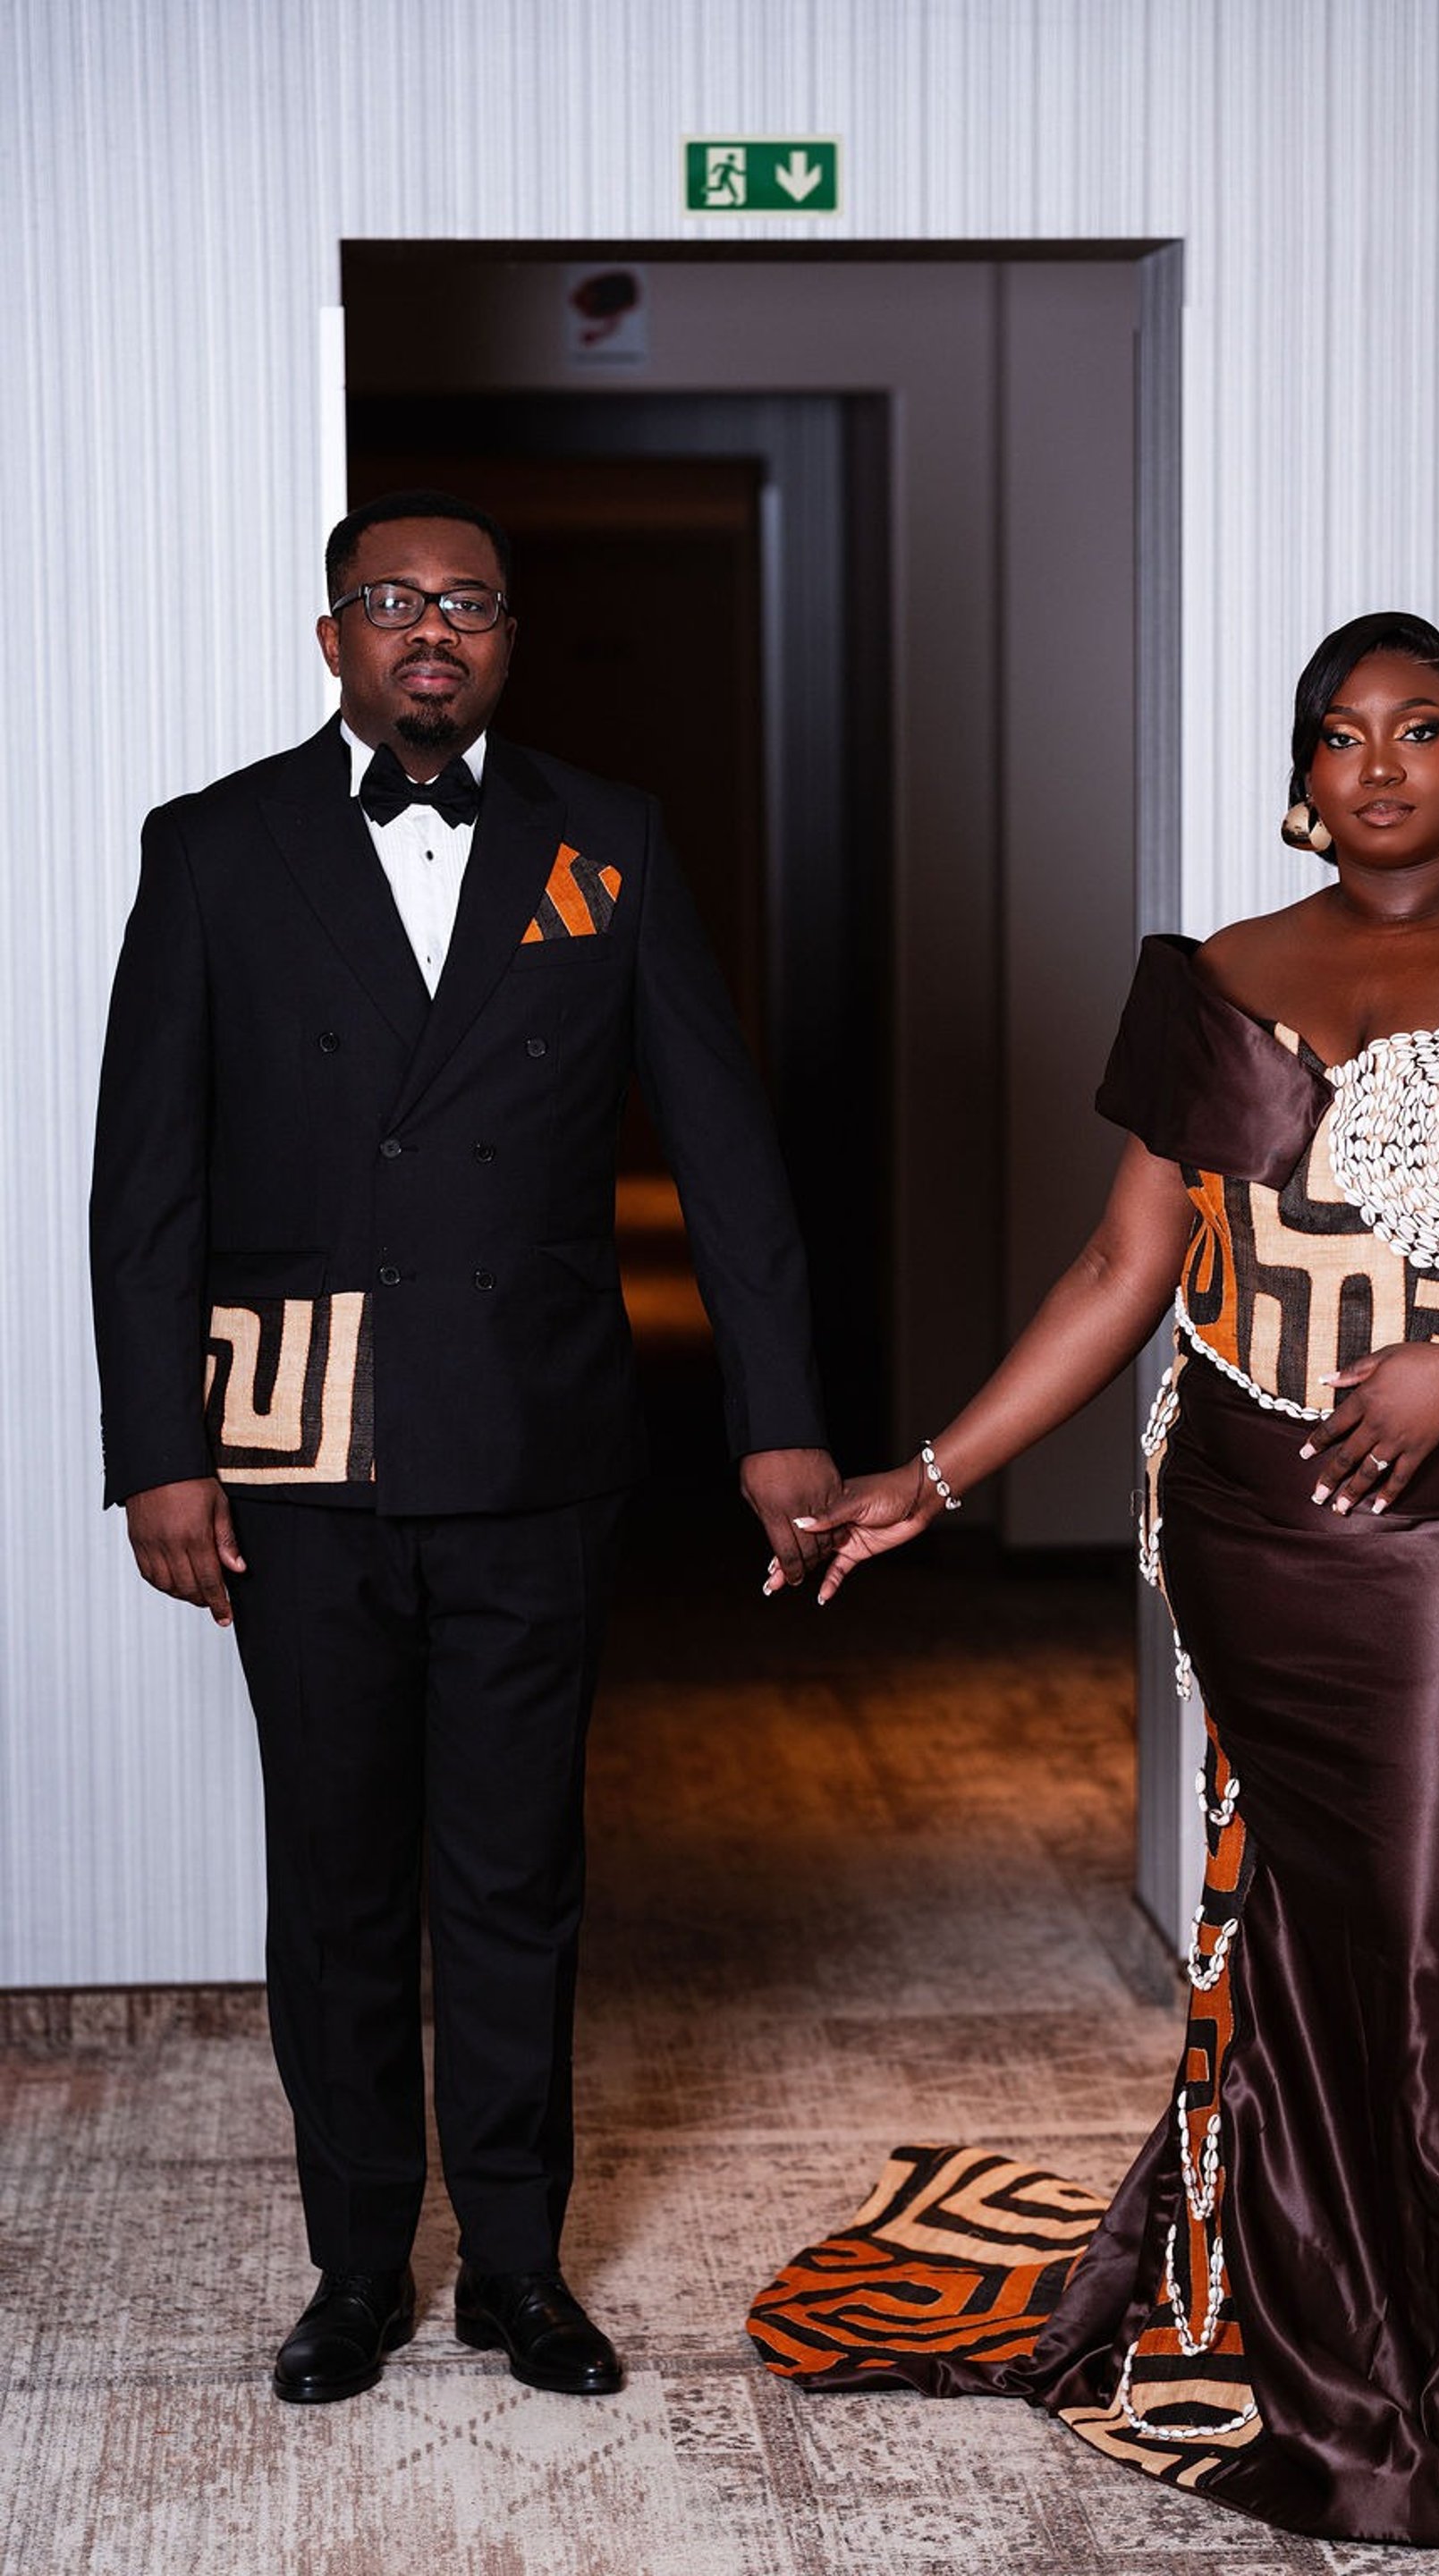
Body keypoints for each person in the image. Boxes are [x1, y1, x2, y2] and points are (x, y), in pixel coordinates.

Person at [748, 613, 1439, 2546]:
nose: (1380, 764)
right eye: (1341, 734)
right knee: (1288, 1919)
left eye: (1420, 728)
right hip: (1242, 1516)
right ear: (1301, 774)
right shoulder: (1223, 976)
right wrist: (934, 1475)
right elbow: (1123, 1273)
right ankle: (1294, 2340)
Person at [90, 489, 835, 2405]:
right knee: (336, 1877)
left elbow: (726, 1152)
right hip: (292, 1450)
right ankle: (356, 2268)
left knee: (516, 1874)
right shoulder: (214, 848)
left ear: (509, 639)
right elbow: (144, 1183)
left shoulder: (612, 839)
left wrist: (781, 1428)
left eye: (471, 605)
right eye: (393, 602)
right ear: (330, 634)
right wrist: (157, 1451)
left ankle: (515, 2264)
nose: (433, 632)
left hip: (532, 1439)